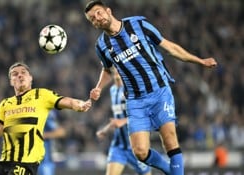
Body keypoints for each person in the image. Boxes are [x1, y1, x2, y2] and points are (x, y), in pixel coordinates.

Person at [84, 1, 218, 175]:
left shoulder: (138, 24)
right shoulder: (101, 45)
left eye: (98, 13)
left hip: (159, 90)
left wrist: (200, 61)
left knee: (169, 139)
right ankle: (171, 171)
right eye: (92, 19)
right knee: (140, 152)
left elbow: (169, 47)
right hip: (134, 99)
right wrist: (99, 87)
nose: (97, 19)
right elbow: (107, 69)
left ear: (108, 11)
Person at [0, 62, 91, 175]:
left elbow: (66, 101)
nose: (19, 75)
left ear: (31, 78)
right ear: (11, 81)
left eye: (23, 72)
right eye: (15, 74)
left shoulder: (41, 95)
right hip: (3, 164)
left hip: (26, 164)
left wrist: (80, 104)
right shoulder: (5, 104)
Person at [96, 70, 151, 175]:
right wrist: (105, 130)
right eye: (114, 71)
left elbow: (143, 113)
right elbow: (117, 118)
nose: (116, 74)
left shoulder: (131, 90)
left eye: (118, 71)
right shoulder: (112, 90)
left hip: (136, 144)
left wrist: (124, 121)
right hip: (119, 146)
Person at [38, 109, 66, 175]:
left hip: (45, 160)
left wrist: (40, 135)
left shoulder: (46, 112)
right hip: (30, 158)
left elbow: (61, 132)